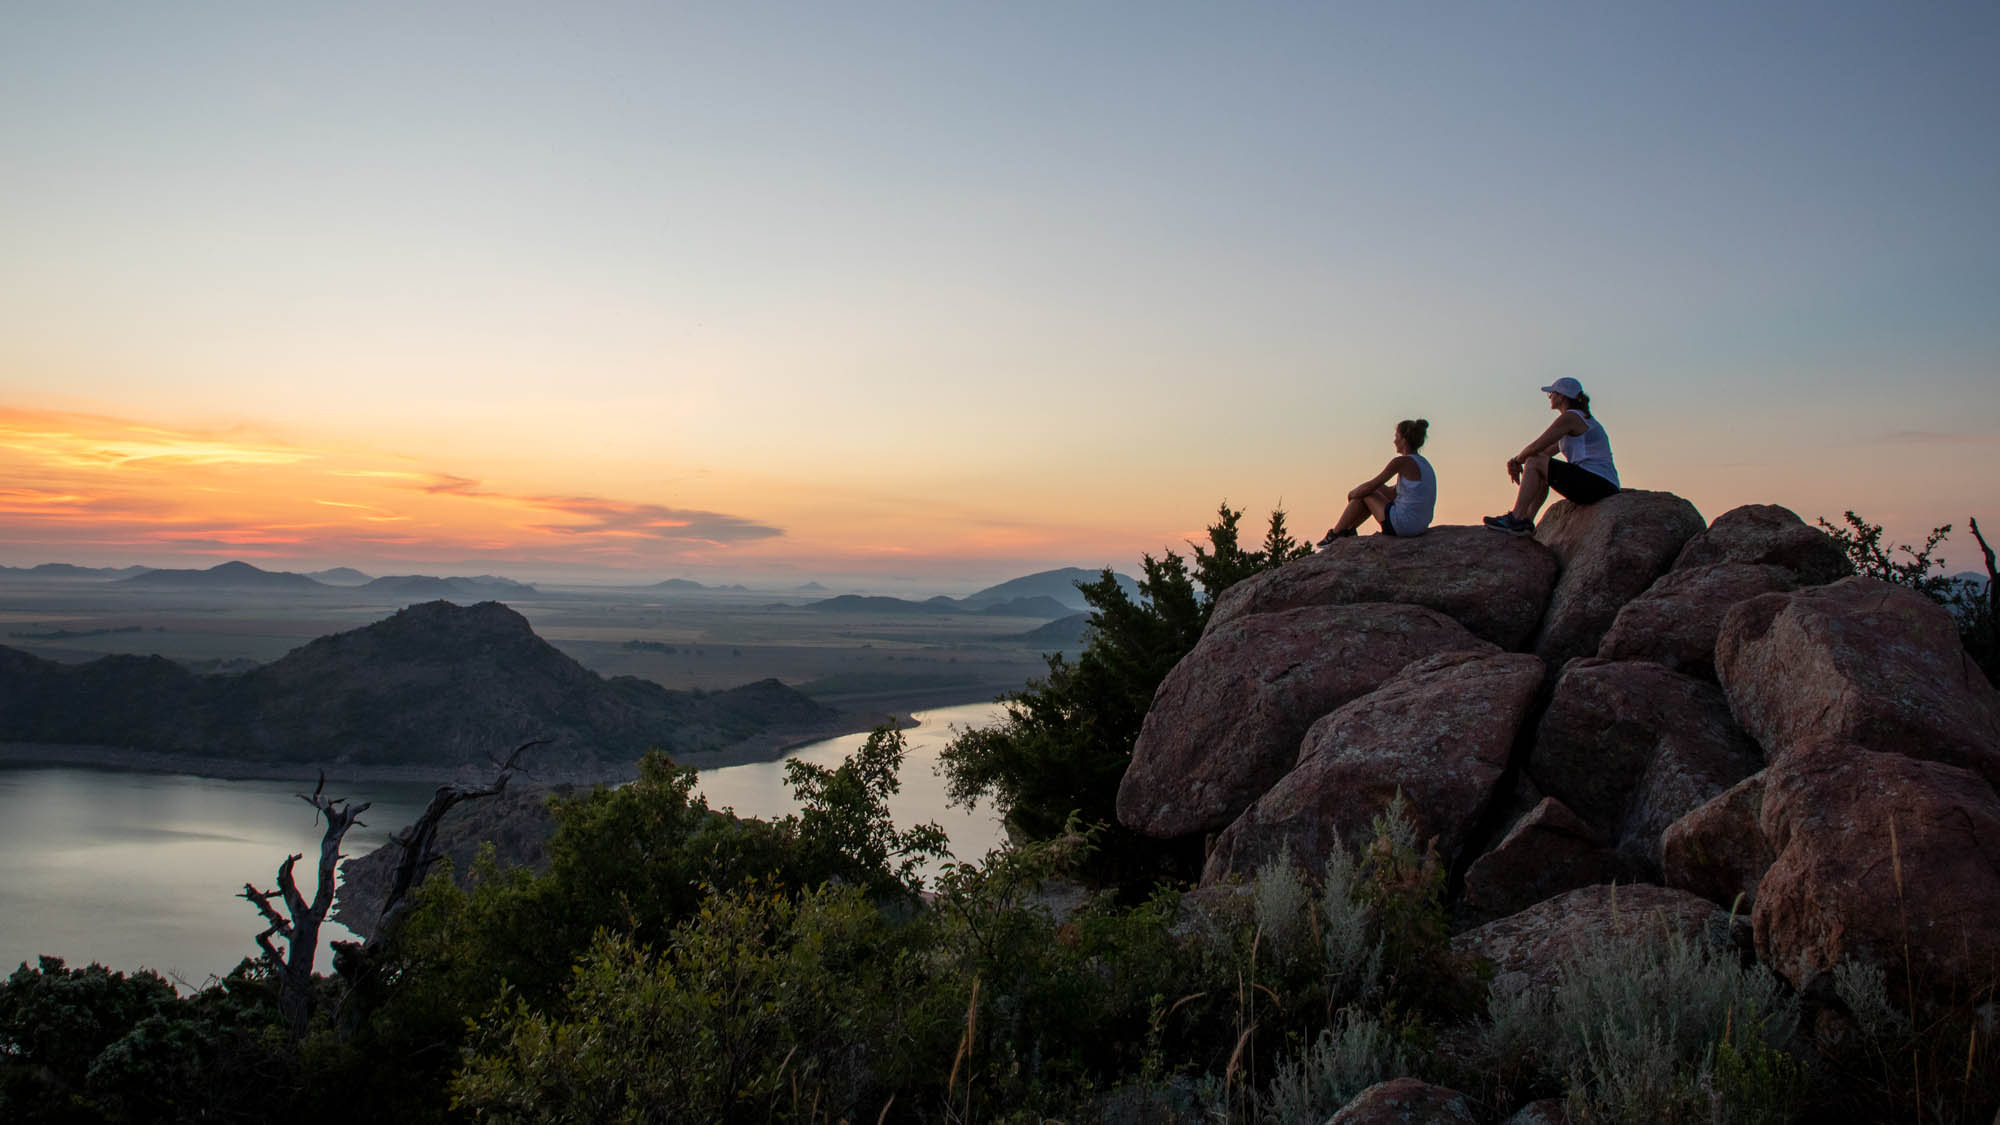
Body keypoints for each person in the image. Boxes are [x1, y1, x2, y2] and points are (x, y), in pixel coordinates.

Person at [1483, 377, 1618, 535]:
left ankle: (1517, 517)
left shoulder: (1571, 418)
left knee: (1534, 461)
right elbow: (1544, 453)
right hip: (1600, 483)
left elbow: (1536, 446)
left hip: (1596, 482)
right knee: (1537, 465)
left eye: (1551, 394)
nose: (1550, 398)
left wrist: (1515, 461)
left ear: (1561, 396)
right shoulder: (1579, 419)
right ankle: (1526, 521)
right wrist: (1523, 462)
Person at [1317, 418, 1436, 546]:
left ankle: (1336, 533)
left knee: (1367, 493)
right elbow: (1392, 493)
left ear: (1404, 440)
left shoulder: (1401, 462)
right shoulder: (1424, 464)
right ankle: (1348, 530)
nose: (1394, 441)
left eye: (1396, 436)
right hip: (1419, 526)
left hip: (1403, 526)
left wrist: (1353, 494)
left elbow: (1371, 486)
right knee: (1374, 490)